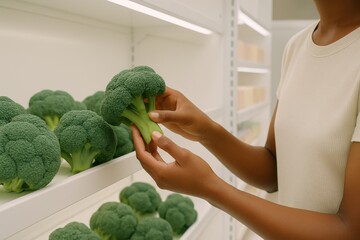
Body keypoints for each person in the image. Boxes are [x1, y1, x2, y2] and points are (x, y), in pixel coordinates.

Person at [131, 0, 360, 239]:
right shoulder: (297, 45)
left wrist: (211, 189)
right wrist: (206, 130)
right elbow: (274, 173)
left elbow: (350, 231)